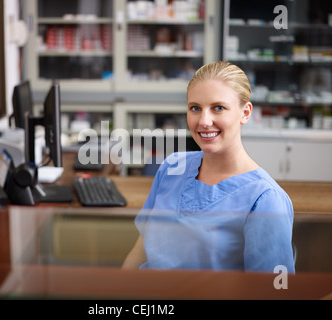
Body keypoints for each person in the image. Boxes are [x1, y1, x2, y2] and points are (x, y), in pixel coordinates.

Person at [122, 61, 295, 273]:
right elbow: (141, 249)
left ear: (245, 113)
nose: (204, 121)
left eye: (218, 108)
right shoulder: (173, 167)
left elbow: (272, 292)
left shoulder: (265, 199)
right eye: (195, 108)